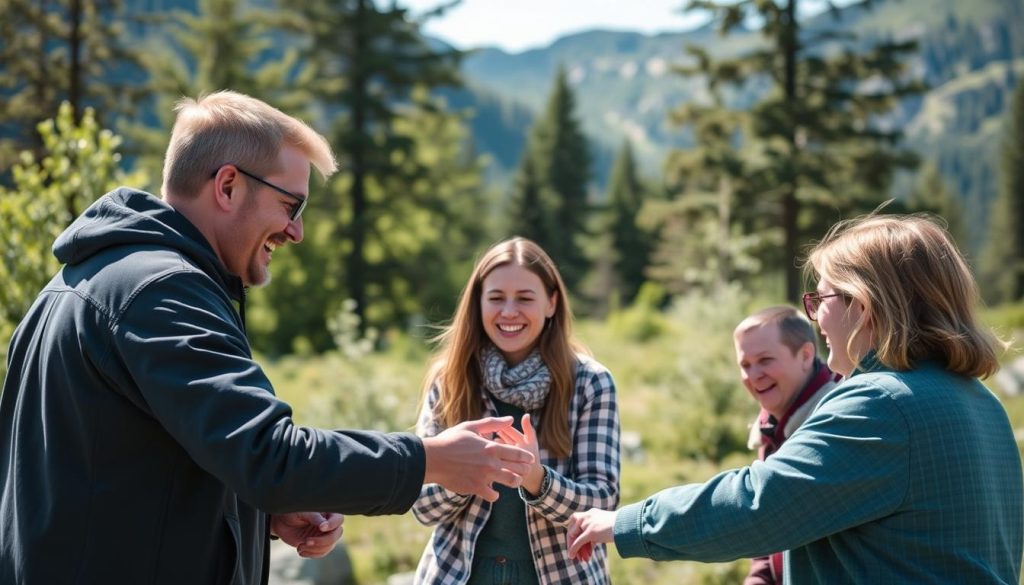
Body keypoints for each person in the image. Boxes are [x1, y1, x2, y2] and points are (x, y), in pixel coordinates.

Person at [0, 91, 534, 585]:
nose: (297, 231)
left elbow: (132, 469)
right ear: (227, 185)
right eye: (291, 206)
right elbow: (268, 454)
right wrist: (431, 459)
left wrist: (259, 513)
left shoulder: (90, 282)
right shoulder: (162, 294)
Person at [567, 214, 1024, 583]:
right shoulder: (982, 403)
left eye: (819, 297)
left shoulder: (880, 404)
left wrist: (626, 523)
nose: (815, 317)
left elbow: (759, 506)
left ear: (861, 306)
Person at [412, 237, 620, 585]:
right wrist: (465, 472)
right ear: (478, 304)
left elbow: (604, 504)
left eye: (525, 298)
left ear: (551, 303)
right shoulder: (450, 380)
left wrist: (537, 481)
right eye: (496, 298)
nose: (509, 312)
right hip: (458, 576)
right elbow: (422, 507)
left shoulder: (590, 383)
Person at [733, 306, 841, 585]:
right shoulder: (770, 428)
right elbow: (766, 539)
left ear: (806, 355)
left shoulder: (835, 422)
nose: (753, 375)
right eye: (745, 365)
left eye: (765, 360)